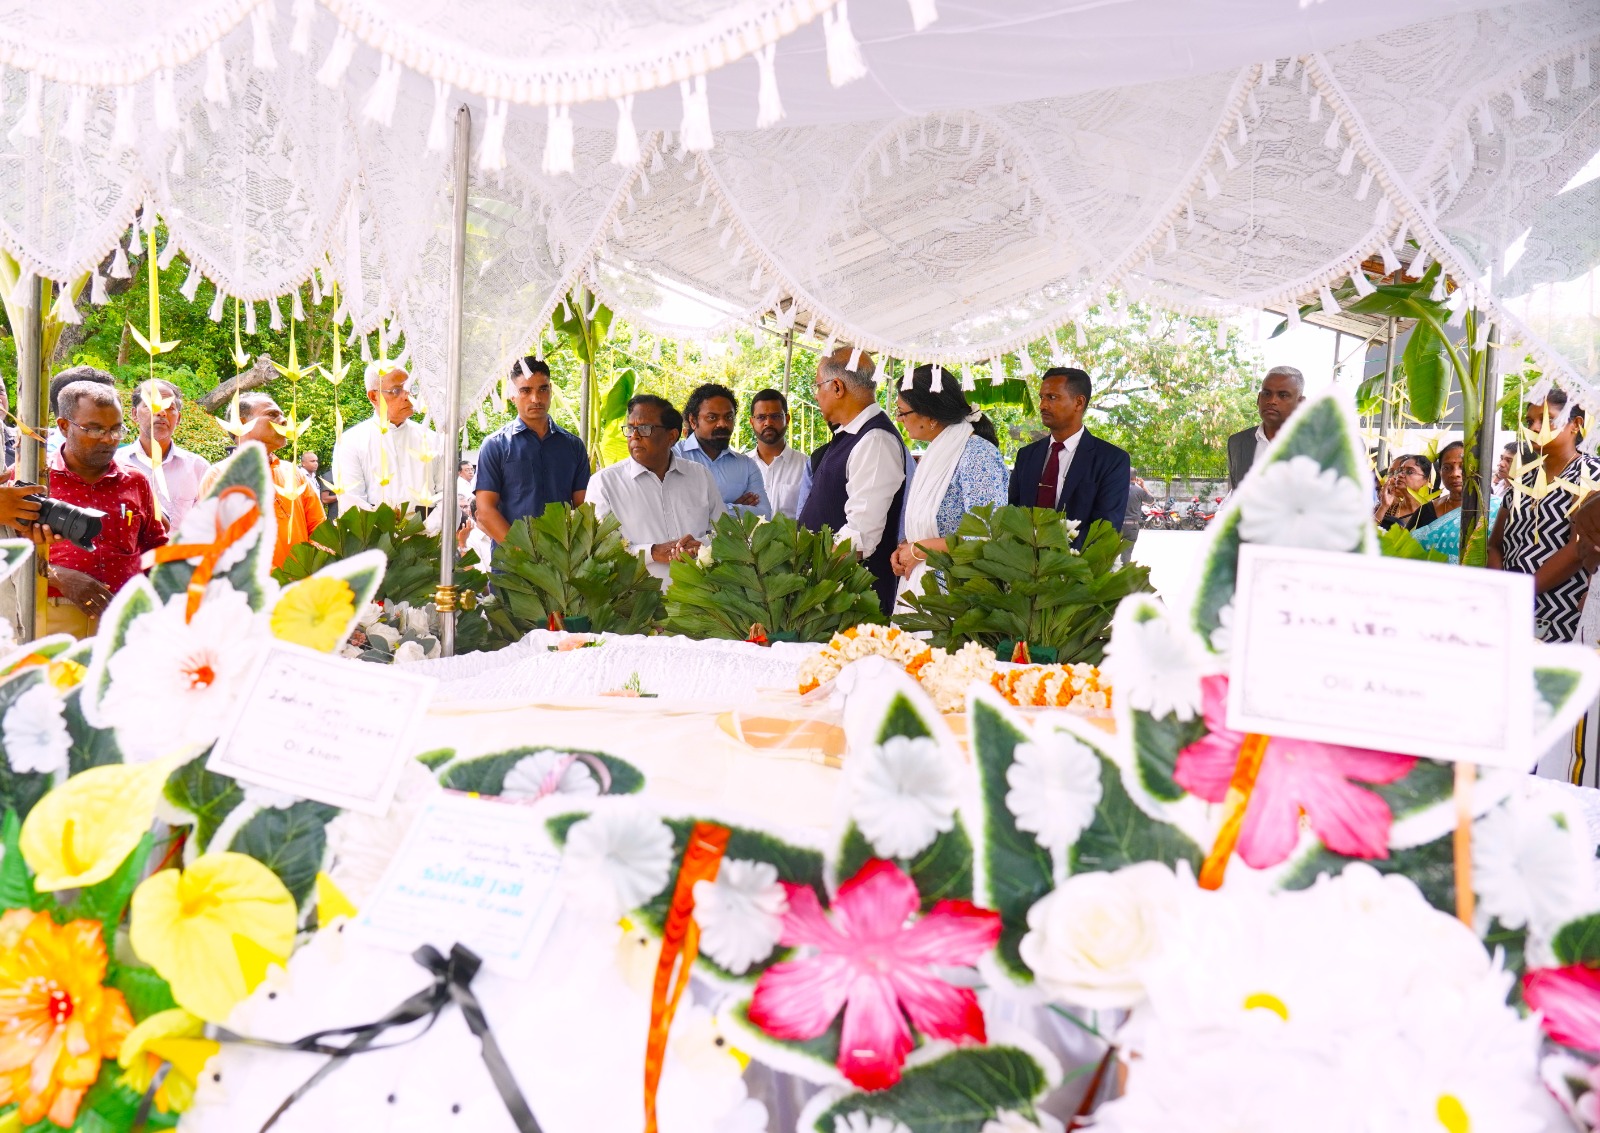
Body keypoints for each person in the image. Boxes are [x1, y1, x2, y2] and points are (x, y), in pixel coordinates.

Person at [43, 380, 166, 637]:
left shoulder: (136, 481)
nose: (109, 439)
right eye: (96, 429)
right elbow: (9, 551)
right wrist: (57, 576)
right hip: (53, 619)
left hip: (126, 622)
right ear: (64, 426)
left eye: (116, 429)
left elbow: (156, 549)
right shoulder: (35, 479)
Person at [798, 348, 907, 615]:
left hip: (851, 600)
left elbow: (859, 536)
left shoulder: (875, 440)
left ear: (837, 387)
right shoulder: (849, 435)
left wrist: (810, 583)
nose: (816, 395)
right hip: (830, 596)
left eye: (817, 386)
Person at [887, 365, 1007, 604]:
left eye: (902, 412)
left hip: (957, 597)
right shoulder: (936, 452)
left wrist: (919, 549)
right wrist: (905, 548)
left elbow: (986, 537)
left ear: (930, 416)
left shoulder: (977, 454)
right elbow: (934, 525)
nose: (899, 420)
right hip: (922, 585)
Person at [1489, 389, 1600, 642]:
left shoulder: (1590, 473)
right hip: (1508, 608)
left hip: (1562, 610)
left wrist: (1520, 592)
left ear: (1576, 424)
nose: (1535, 427)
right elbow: (1495, 544)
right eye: (1530, 421)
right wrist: (1499, 590)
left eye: (1547, 419)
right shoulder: (1522, 479)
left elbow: (1577, 548)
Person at [588, 395, 725, 582]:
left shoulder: (700, 476)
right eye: (630, 428)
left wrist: (701, 546)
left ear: (672, 436)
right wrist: (652, 552)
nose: (634, 436)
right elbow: (599, 549)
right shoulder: (604, 483)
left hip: (700, 592)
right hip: (635, 597)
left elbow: (725, 533)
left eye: (644, 428)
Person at [1008, 367, 1130, 549]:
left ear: (1078, 403)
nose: (1042, 405)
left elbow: (1105, 529)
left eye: (1052, 397)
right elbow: (1012, 514)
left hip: (1078, 563)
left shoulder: (1112, 460)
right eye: (1041, 397)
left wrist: (1056, 558)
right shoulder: (1026, 456)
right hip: (1023, 563)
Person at [200, 394, 325, 570]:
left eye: (282, 415)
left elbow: (320, 528)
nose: (284, 421)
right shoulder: (219, 477)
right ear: (242, 423)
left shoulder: (293, 472)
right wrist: (280, 579)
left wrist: (310, 568)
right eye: (272, 414)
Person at [474, 358, 590, 544]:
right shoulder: (495, 445)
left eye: (542, 389)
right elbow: (485, 511)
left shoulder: (574, 446)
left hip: (563, 556)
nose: (536, 399)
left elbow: (583, 507)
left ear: (550, 390)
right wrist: (521, 552)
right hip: (512, 558)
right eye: (525, 391)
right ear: (512, 395)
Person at [331, 365, 444, 526]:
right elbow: (352, 502)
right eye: (396, 391)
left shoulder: (432, 439)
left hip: (430, 535)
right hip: (376, 536)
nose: (407, 396)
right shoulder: (351, 441)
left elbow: (447, 496)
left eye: (410, 388)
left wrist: (424, 530)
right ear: (373, 397)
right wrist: (390, 535)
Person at [114, 379, 209, 530]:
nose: (161, 412)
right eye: (151, 405)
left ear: (178, 418)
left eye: (169, 407)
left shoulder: (198, 468)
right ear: (134, 414)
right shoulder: (114, 464)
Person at [675, 383, 769, 518]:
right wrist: (734, 509)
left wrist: (713, 510)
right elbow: (675, 512)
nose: (723, 424)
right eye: (712, 417)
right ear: (693, 421)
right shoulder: (674, 457)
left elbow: (764, 514)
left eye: (728, 417)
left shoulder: (746, 465)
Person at [1412, 442, 1500, 563]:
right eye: (1447, 468)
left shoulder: (1496, 508)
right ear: (1440, 472)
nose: (1455, 474)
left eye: (1463, 467)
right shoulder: (1426, 511)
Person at [1226, 366, 1306, 490]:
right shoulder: (1237, 443)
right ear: (1258, 399)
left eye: (1283, 395)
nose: (1272, 401)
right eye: (1267, 394)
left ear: (1301, 403)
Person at [750, 388, 806, 519]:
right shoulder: (742, 466)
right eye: (761, 417)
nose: (768, 423)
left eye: (775, 416)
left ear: (787, 419)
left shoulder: (806, 466)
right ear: (752, 422)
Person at [45, 366, 116, 464]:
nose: (109, 439)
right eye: (105, 401)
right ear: (64, 425)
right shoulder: (39, 466)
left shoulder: (123, 464)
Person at [1374, 454, 1438, 531]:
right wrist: (1384, 507)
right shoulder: (1388, 507)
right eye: (1400, 471)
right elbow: (1367, 534)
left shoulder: (1432, 513)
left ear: (1427, 480)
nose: (1400, 475)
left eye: (1410, 471)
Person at [1122, 474, 1154, 564]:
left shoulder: (1117, 489)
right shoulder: (1139, 491)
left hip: (1117, 524)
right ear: (1135, 478)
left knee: (1111, 551)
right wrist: (1143, 486)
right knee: (1127, 552)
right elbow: (1151, 500)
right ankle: (1124, 569)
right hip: (1132, 526)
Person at [301, 450, 338, 520]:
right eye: (312, 461)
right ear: (303, 463)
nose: (316, 463)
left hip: (316, 513)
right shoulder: (300, 476)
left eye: (316, 461)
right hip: (305, 513)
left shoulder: (313, 477)